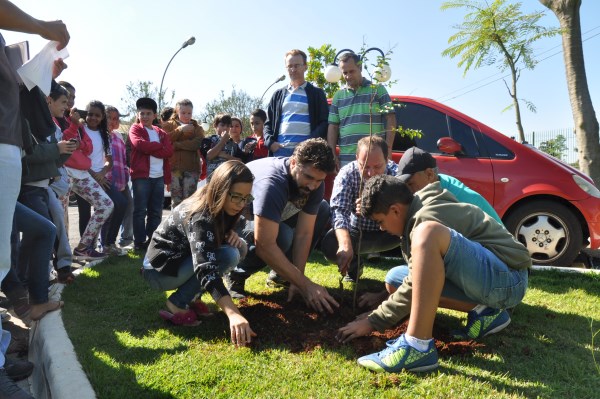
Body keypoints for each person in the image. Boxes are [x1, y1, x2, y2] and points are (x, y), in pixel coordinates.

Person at [336, 175, 531, 373]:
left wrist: (373, 321)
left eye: (380, 221)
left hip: (509, 280)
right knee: (395, 278)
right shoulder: (415, 210)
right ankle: (487, 311)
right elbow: (416, 277)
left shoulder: (425, 217)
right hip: (490, 278)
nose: (382, 228)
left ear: (395, 210)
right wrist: (379, 307)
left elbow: (414, 284)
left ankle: (417, 346)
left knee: (428, 232)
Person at [0, 1, 69, 396]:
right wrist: (43, 27)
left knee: (11, 250)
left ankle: (4, 351)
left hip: (6, 149)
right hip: (9, 157)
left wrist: (42, 64)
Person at [359, 146, 504, 309]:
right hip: (482, 267)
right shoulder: (436, 187)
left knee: (410, 281)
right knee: (396, 279)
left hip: (497, 271)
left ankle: (488, 308)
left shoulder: (444, 200)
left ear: (430, 174)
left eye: (411, 184)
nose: (408, 191)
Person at [143, 161, 256, 346]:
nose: (241, 204)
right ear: (220, 190)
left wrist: (232, 236)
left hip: (178, 263)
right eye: (236, 197)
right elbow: (205, 268)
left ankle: (191, 296)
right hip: (157, 272)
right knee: (227, 256)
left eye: (246, 198)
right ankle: (177, 304)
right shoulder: (200, 215)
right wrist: (234, 314)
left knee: (232, 251)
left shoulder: (220, 206)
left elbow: (212, 243)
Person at [225, 138, 340, 314]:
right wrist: (306, 285)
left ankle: (283, 275)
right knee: (282, 236)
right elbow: (264, 244)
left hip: (272, 214)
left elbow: (304, 233)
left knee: (322, 209)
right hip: (231, 221)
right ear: (293, 162)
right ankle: (235, 274)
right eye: (308, 177)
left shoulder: (315, 184)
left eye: (319, 180)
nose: (312, 186)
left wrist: (298, 280)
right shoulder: (272, 182)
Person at [320, 136, 400, 282]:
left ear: (387, 159)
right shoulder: (347, 174)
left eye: (377, 167)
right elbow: (339, 211)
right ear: (357, 158)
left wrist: (375, 207)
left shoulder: (397, 175)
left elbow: (408, 211)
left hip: (392, 234)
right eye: (365, 166)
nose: (371, 173)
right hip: (357, 232)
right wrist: (345, 246)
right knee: (330, 244)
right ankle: (354, 267)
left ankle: (407, 277)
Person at [72, 100, 127, 257]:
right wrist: (93, 174)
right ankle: (87, 248)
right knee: (85, 213)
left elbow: (109, 160)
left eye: (97, 115)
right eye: (90, 114)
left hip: (101, 177)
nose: (93, 118)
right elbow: (78, 155)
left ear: (102, 117)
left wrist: (101, 174)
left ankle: (108, 243)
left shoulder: (105, 135)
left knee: (121, 203)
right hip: (82, 176)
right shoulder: (80, 130)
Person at [327, 52, 397, 168]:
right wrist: (332, 154)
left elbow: (391, 118)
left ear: (360, 67)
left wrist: (388, 149)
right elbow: (333, 127)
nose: (348, 76)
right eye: (345, 73)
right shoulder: (338, 96)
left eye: (351, 71)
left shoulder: (377, 90)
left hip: (374, 159)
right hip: (347, 159)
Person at [263, 49, 328, 157]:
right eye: (290, 66)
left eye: (297, 65)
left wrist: (309, 143)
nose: (293, 69)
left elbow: (324, 123)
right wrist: (270, 143)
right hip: (280, 151)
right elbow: (268, 124)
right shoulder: (278, 95)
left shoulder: (317, 93)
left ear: (305, 66)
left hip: (306, 152)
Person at [128, 97, 173, 250]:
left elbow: (169, 151)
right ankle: (139, 242)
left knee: (156, 211)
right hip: (141, 177)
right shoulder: (135, 129)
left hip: (159, 177)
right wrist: (158, 147)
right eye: (142, 113)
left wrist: (152, 147)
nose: (145, 116)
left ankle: (151, 241)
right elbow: (138, 144)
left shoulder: (161, 133)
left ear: (155, 116)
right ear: (138, 115)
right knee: (140, 210)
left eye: (148, 113)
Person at [161, 99, 204, 208]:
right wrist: (180, 130)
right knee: (176, 201)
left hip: (192, 169)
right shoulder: (168, 125)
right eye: (183, 113)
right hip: (174, 169)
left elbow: (196, 144)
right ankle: (175, 225)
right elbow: (165, 141)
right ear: (177, 112)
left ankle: (187, 224)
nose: (186, 115)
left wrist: (176, 145)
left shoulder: (197, 128)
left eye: (189, 113)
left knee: (189, 202)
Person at [104, 105, 130, 255]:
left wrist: (126, 175)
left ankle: (110, 243)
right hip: (107, 178)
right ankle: (105, 244)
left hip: (121, 179)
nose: (113, 122)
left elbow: (123, 158)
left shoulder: (118, 136)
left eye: (116, 119)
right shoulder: (102, 135)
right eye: (109, 118)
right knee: (111, 210)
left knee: (124, 206)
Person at [200, 113, 238, 180]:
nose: (225, 128)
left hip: (227, 179)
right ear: (215, 125)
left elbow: (240, 161)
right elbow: (208, 156)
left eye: (228, 126)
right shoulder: (208, 140)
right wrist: (223, 140)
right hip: (212, 180)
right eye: (222, 125)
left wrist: (226, 156)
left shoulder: (233, 143)